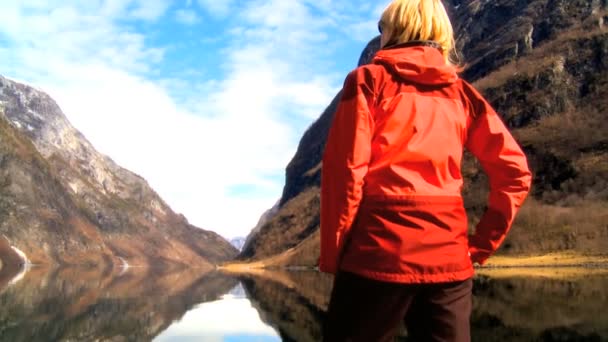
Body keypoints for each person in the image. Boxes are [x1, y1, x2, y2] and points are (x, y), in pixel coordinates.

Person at [319, 0, 532, 341]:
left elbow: (346, 173)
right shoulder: (463, 95)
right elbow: (515, 172)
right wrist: (479, 246)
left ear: (396, 29)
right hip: (449, 260)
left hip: (377, 255)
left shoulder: (368, 82)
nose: (380, 35)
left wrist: (334, 255)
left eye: (382, 27)